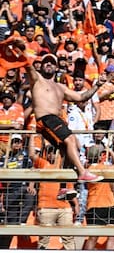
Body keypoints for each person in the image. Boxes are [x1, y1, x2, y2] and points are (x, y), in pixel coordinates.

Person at [15, 47, 105, 184]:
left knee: (69, 147)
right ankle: (82, 172)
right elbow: (28, 65)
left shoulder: (60, 87)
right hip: (46, 118)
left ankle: (65, 187)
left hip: (55, 119)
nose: (49, 64)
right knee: (70, 139)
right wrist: (20, 49)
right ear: (41, 66)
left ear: (56, 67)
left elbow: (81, 97)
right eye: (46, 62)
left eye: (52, 62)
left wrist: (97, 85)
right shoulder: (37, 79)